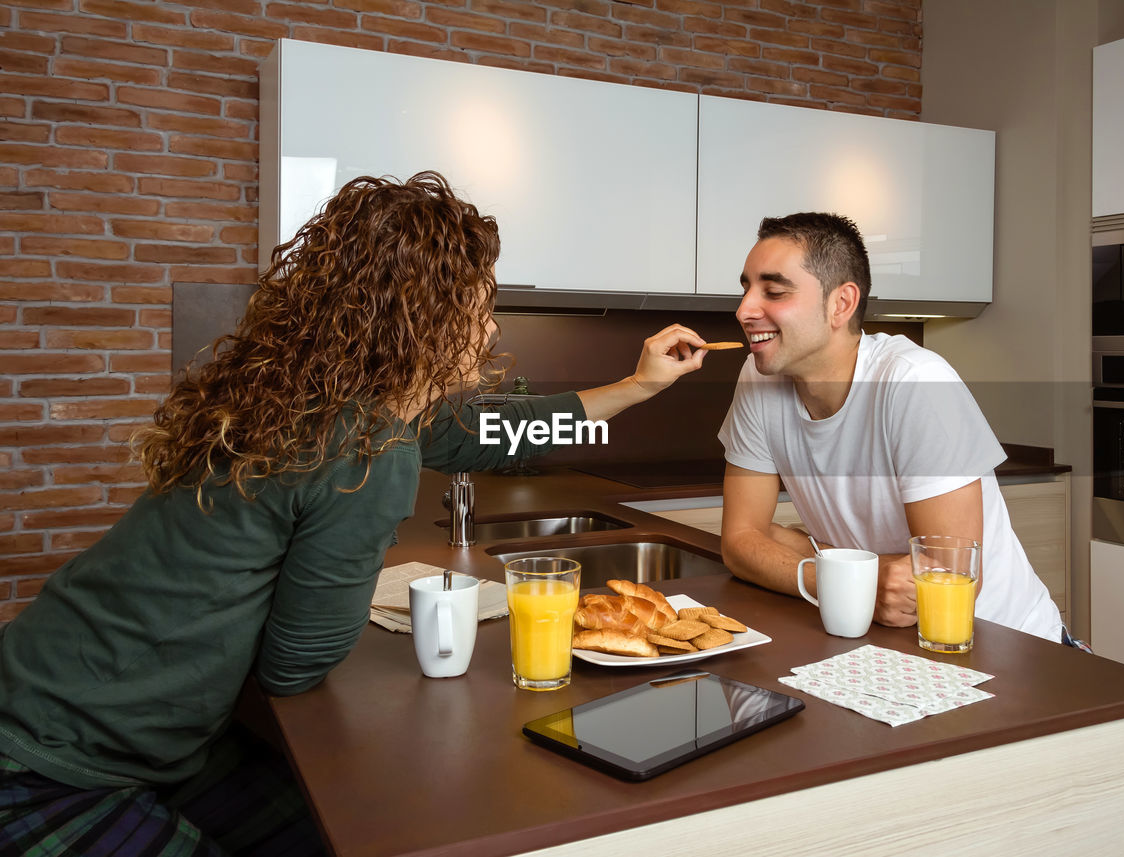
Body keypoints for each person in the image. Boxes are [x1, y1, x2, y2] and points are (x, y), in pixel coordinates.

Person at [0, 171, 710, 855]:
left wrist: (637, 386)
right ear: (424, 315)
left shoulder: (313, 396)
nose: (490, 329)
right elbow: (295, 664)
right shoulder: (368, 447)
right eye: (480, 305)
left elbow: (494, 436)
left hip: (75, 701)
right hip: (53, 762)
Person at [717, 212, 1064, 643]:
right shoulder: (758, 377)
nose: (745, 309)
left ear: (841, 304)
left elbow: (941, 579)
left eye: (773, 291)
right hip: (885, 646)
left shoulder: (914, 382)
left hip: (1007, 647)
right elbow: (741, 540)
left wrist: (813, 559)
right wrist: (844, 578)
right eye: (746, 288)